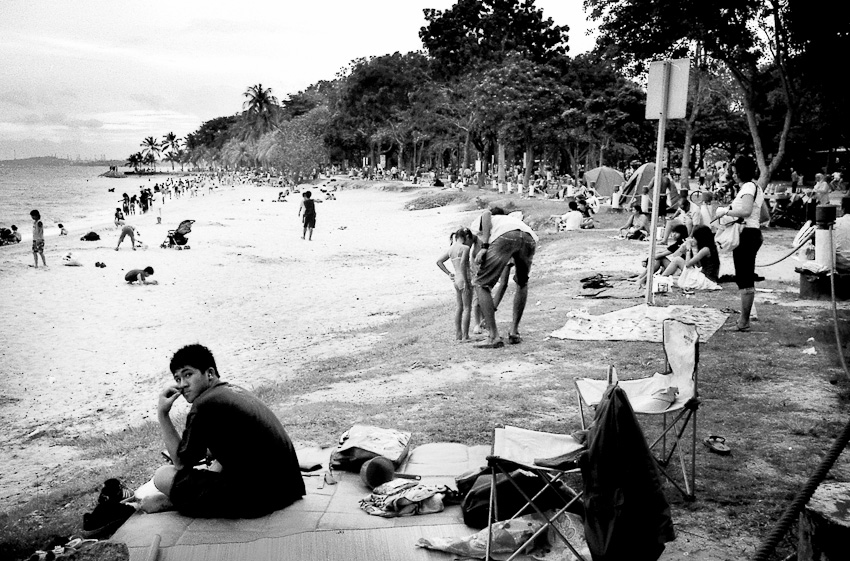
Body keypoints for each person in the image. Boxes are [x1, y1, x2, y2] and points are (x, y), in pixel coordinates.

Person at [152, 344, 305, 518]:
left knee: (162, 475)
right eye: (177, 379)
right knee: (215, 463)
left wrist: (163, 414)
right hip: (287, 488)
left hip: (260, 499)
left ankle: (176, 503)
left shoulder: (203, 404)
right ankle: (185, 500)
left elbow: (180, 464)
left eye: (188, 374)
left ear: (209, 373)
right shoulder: (232, 391)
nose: (182, 385)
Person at [470, 203, 538, 348]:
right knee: (522, 282)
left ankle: (493, 336)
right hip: (528, 237)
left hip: (506, 237)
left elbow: (485, 214)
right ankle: (514, 332)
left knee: (481, 284)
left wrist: (484, 248)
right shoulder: (512, 220)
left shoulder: (490, 219)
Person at [715, 155, 764, 332]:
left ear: (742, 172)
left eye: (735, 172)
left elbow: (746, 210)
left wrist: (725, 211)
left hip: (747, 235)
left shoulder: (748, 187)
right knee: (745, 276)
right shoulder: (757, 188)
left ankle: (744, 322)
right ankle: (744, 319)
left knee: (744, 277)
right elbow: (763, 215)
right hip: (754, 232)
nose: (733, 176)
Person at [435, 227, 475, 341]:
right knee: (467, 308)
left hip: (456, 280)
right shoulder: (465, 248)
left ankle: (458, 334)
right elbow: (463, 264)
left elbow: (439, 262)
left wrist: (449, 273)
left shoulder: (451, 249)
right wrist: (467, 283)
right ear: (467, 237)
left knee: (459, 307)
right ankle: (466, 335)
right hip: (464, 278)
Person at [637, 224, 689, 289]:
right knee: (659, 258)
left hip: (680, 270)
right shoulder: (679, 243)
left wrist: (647, 259)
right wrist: (647, 258)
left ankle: (643, 278)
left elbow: (661, 255)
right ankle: (642, 277)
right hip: (678, 267)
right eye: (673, 232)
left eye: (676, 233)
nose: (674, 234)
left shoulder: (681, 244)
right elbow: (661, 252)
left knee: (660, 259)